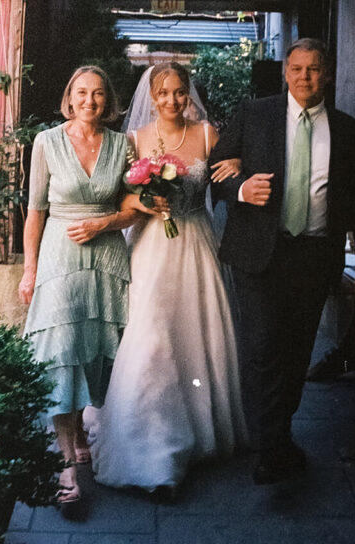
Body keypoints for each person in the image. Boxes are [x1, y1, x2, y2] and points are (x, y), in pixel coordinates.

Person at [209, 37, 355, 485]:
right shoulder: (255, 114)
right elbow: (217, 166)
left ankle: (278, 437)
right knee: (264, 347)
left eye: (315, 69)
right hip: (259, 252)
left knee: (295, 352)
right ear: (285, 72)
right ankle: (270, 450)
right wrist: (242, 189)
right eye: (298, 68)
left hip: (314, 256)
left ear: (328, 73)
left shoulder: (350, 132)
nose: (305, 77)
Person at [88, 62, 247, 496]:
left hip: (195, 240)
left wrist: (238, 172)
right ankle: (153, 448)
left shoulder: (208, 134)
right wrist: (145, 198)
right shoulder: (135, 140)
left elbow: (229, 177)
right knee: (151, 336)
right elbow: (122, 195)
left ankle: (197, 432)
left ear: (188, 94)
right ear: (152, 96)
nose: (172, 101)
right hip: (151, 246)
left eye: (179, 92)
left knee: (194, 334)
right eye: (163, 93)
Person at [18, 66, 138, 510]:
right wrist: (29, 270)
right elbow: (34, 212)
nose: (90, 101)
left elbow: (133, 205)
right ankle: (66, 465)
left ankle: (84, 429)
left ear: (108, 101)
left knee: (101, 349)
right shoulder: (47, 142)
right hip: (60, 256)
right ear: (70, 97)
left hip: (107, 256)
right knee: (63, 353)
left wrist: (106, 222)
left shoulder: (123, 145)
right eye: (82, 93)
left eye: (99, 94)